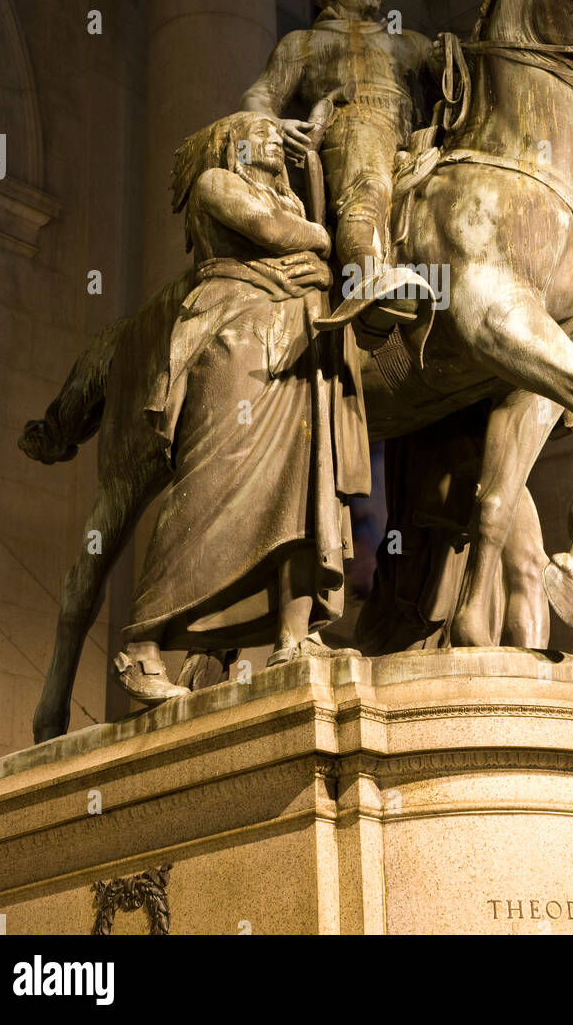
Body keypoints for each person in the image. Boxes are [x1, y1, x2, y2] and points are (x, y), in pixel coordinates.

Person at [114, 112, 370, 704]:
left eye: (279, 137)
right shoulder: (216, 184)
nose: (275, 141)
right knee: (210, 484)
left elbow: (295, 234)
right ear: (232, 145)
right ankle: (142, 646)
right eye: (261, 132)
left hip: (297, 348)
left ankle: (293, 636)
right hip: (235, 339)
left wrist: (317, 246)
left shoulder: (290, 200)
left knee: (305, 491)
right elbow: (276, 233)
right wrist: (322, 238)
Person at [241, 0, 438, 316]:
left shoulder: (405, 41)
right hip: (352, 126)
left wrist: (450, 53)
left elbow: (448, 67)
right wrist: (278, 123)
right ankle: (367, 281)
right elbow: (259, 96)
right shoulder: (306, 42)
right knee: (369, 187)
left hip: (412, 133)